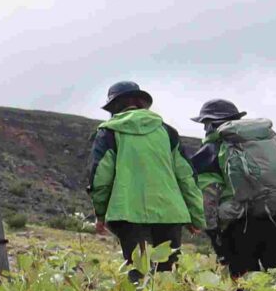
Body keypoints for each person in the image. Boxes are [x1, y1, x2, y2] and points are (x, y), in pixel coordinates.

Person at [84, 81, 203, 273]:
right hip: (170, 213)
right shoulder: (167, 132)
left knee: (139, 273)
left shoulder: (108, 133)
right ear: (142, 103)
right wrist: (196, 217)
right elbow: (187, 177)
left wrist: (101, 214)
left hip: (127, 213)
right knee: (167, 276)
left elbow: (100, 178)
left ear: (114, 107)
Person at [185, 98, 276, 277]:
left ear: (209, 124)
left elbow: (208, 198)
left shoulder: (210, 152)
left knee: (243, 283)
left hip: (240, 228)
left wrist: (214, 235)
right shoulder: (268, 142)